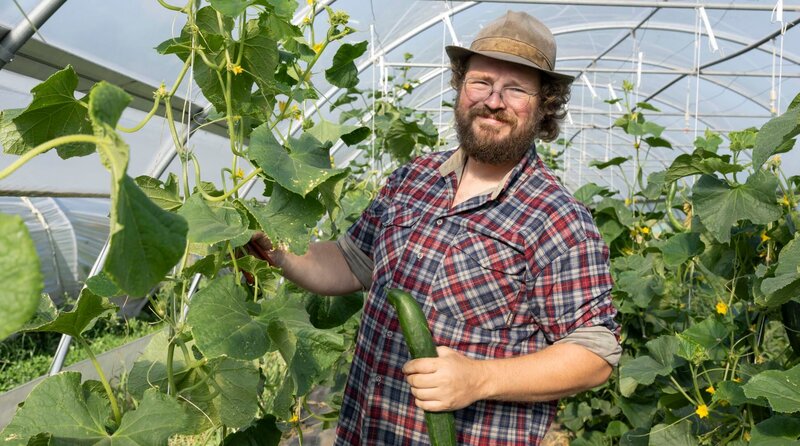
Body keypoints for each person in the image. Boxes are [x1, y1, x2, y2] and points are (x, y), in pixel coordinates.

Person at [250, 10, 620, 445]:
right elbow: (351, 263)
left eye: (516, 89)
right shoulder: (414, 178)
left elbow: (594, 353)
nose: (493, 100)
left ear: (544, 107)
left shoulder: (558, 218)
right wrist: (275, 248)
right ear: (461, 87)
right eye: (480, 82)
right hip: (365, 431)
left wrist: (479, 379)